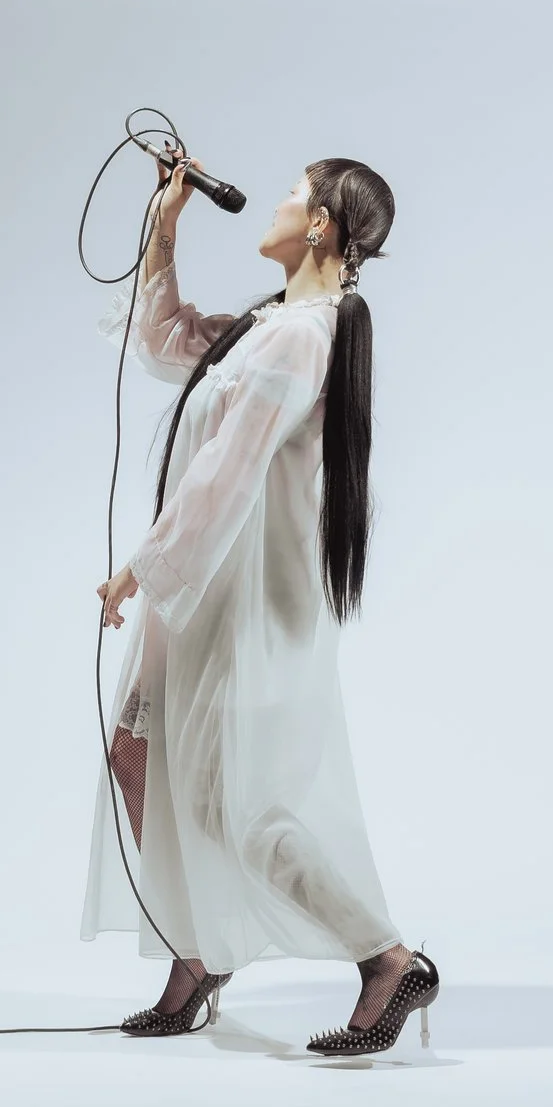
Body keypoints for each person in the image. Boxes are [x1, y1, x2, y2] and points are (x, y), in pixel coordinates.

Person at [86, 154, 438, 1057]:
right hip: (204, 592)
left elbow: (230, 471)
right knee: (137, 754)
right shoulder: (268, 324)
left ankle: (384, 955)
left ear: (321, 225)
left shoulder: (299, 337)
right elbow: (167, 343)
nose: (278, 201)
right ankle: (200, 953)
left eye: (293, 192)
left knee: (238, 799)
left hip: (236, 597)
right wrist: (165, 227)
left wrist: (141, 565)